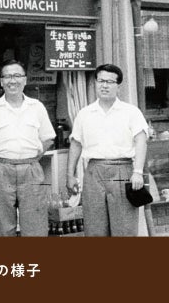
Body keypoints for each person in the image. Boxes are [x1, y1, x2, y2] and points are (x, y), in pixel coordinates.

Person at [0, 59, 56, 236]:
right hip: (1, 170)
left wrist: (32, 158)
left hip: (31, 169)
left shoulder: (37, 107)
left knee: (35, 225)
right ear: (1, 81)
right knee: (1, 225)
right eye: (8, 76)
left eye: (17, 76)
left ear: (25, 80)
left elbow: (48, 138)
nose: (13, 81)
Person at [66, 64, 148, 236]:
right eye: (101, 81)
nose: (104, 85)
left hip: (122, 170)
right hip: (93, 171)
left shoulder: (131, 112)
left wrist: (138, 172)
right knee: (94, 226)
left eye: (110, 82)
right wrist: (70, 175)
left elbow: (141, 141)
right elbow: (76, 144)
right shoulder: (85, 114)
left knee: (124, 227)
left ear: (118, 86)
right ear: (95, 83)